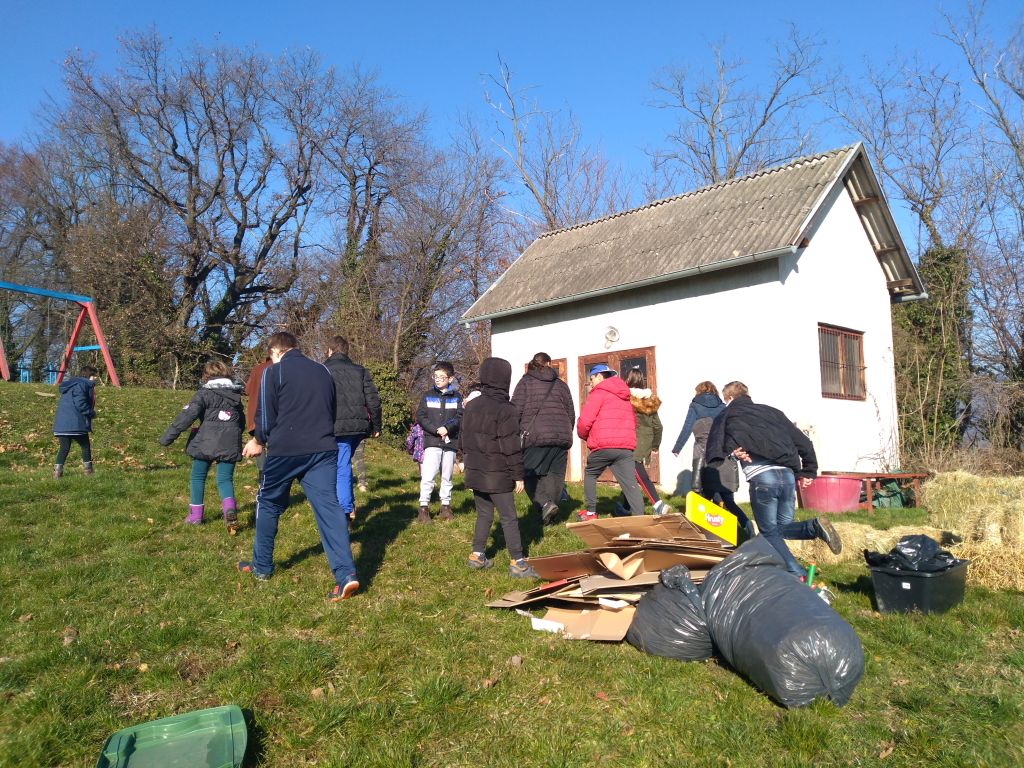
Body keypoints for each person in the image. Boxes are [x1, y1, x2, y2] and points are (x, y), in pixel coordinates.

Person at [239, 331, 359, 601]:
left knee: (268, 503)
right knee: (329, 509)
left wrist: (258, 440)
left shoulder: (274, 372)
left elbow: (265, 417)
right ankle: (346, 575)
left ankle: (261, 566)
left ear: (275, 351)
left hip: (286, 450)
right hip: (323, 449)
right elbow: (331, 409)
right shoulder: (323, 371)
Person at [705, 381, 842, 578]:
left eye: (726, 400)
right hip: (787, 476)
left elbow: (717, 441)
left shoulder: (729, 415)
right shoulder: (773, 412)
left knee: (768, 532)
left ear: (731, 398)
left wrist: (731, 452)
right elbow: (804, 442)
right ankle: (812, 529)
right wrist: (809, 471)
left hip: (763, 478)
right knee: (781, 530)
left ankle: (797, 573)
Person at [461, 357, 539, 578]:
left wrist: (465, 464)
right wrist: (518, 475)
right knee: (509, 517)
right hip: (498, 474)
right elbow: (511, 446)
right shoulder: (507, 409)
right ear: (505, 379)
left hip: (475, 471)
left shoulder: (471, 406)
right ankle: (518, 562)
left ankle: (477, 556)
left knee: (484, 514)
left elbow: (462, 440)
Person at [159, 360, 245, 531]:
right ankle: (229, 509)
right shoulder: (236, 396)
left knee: (198, 477)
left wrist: (167, 437)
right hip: (229, 443)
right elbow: (241, 421)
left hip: (205, 442)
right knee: (225, 479)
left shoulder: (203, 394)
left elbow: (187, 415)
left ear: (206, 376)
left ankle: (195, 516)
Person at [671, 381, 752, 535]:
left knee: (701, 491)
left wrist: (677, 448)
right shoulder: (722, 406)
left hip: (701, 452)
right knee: (723, 492)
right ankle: (743, 524)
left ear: (698, 391)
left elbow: (687, 427)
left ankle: (700, 529)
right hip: (720, 452)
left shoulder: (695, 405)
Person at [511, 352, 575, 526]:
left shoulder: (525, 383)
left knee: (528, 473)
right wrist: (566, 431)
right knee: (555, 476)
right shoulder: (561, 385)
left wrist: (514, 434)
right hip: (561, 436)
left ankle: (546, 504)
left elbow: (515, 411)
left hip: (534, 436)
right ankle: (550, 518)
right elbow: (570, 412)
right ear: (549, 364)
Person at [323, 335, 381, 523]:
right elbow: (374, 400)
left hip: (333, 426)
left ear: (330, 351)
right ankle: (345, 503)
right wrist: (376, 426)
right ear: (346, 351)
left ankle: (345, 509)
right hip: (357, 427)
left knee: (340, 465)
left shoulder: (322, 370)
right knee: (342, 462)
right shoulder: (360, 370)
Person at [576, 364, 644, 520]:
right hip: (625, 447)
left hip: (604, 446)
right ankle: (641, 518)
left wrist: (585, 436)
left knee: (591, 473)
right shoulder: (624, 395)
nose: (591, 383)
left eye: (592, 378)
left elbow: (585, 421)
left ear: (600, 376)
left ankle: (591, 513)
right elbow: (634, 421)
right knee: (630, 483)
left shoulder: (598, 393)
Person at [415, 361, 463, 523]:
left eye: (441, 377)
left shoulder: (457, 397)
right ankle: (423, 508)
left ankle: (445, 507)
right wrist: (436, 429)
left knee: (447, 476)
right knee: (428, 476)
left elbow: (460, 417)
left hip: (450, 442)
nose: (437, 379)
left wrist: (447, 428)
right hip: (432, 441)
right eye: (435, 376)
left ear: (450, 379)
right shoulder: (427, 395)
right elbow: (421, 416)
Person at [622, 367, 672, 516]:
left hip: (629, 440)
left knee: (637, 471)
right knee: (628, 474)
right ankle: (625, 508)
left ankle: (658, 504)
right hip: (645, 442)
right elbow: (658, 426)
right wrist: (655, 445)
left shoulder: (625, 398)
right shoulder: (649, 401)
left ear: (627, 380)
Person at [52, 365, 98, 478]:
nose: (96, 378)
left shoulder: (71, 385)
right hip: (76, 423)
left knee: (64, 448)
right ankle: (88, 472)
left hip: (62, 424)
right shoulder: (82, 385)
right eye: (94, 375)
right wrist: (91, 413)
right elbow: (80, 403)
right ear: (89, 375)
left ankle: (57, 473)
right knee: (85, 446)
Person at [244, 352, 273, 472]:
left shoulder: (257, 368)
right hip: (274, 415)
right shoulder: (282, 367)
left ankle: (262, 474)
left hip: (256, 414)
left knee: (258, 444)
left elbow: (247, 390)